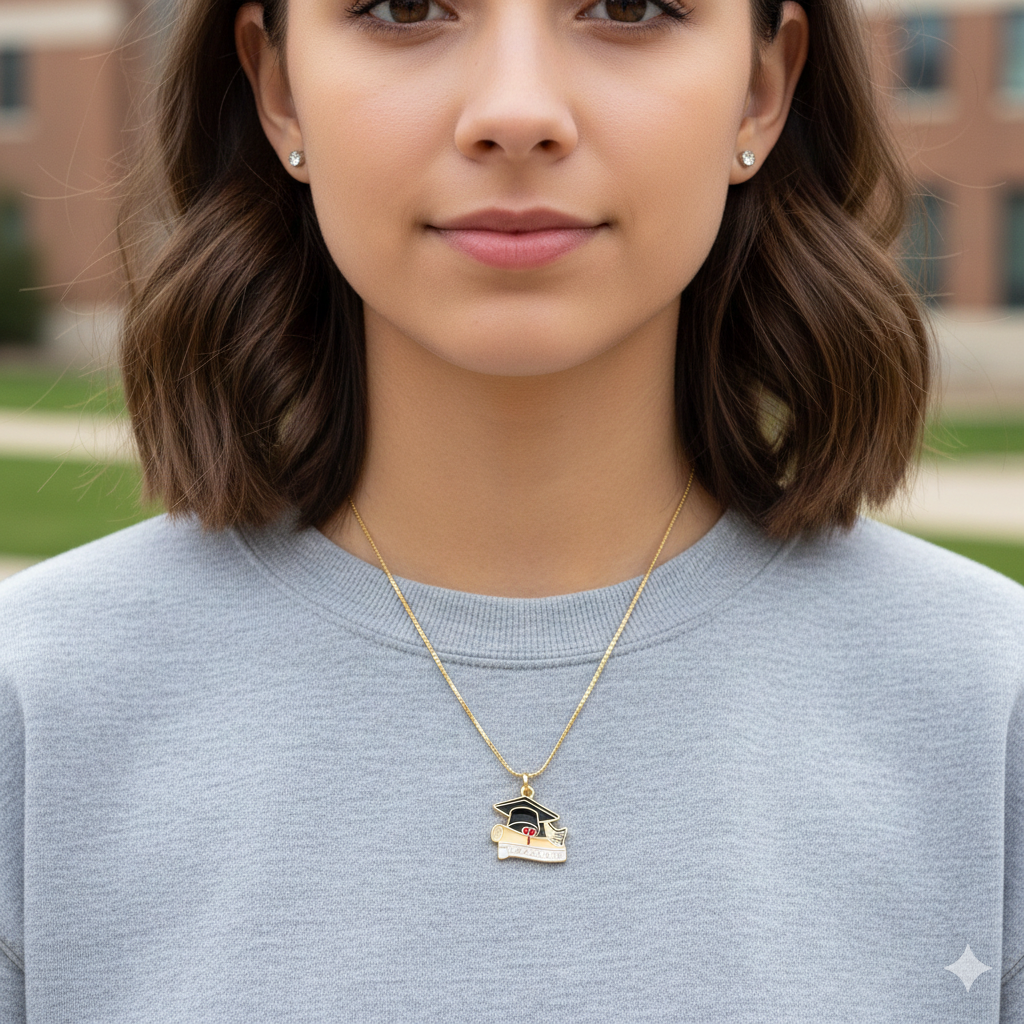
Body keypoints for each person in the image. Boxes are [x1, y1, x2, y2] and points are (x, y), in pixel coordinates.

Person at [1, 0, 1022, 1018]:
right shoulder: (34, 714)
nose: (517, 111)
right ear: (277, 91)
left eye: (628, 6)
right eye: (405, 7)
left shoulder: (989, 714)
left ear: (761, 92)